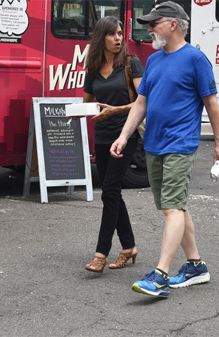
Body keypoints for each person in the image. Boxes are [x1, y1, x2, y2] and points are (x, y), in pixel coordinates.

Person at [110, 1, 219, 297]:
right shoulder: (153, 61)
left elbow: (211, 105)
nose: (148, 29)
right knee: (176, 205)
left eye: (154, 23)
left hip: (181, 144)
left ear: (174, 24)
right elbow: (142, 103)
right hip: (153, 144)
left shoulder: (195, 59)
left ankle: (161, 275)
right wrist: (125, 135)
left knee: (172, 207)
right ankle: (195, 266)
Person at [81, 16, 142, 273]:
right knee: (112, 192)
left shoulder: (131, 63)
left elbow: (144, 101)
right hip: (103, 135)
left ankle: (101, 252)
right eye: (112, 34)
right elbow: (87, 102)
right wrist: (75, 113)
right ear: (101, 38)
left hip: (125, 135)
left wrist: (116, 110)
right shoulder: (93, 68)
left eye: (120, 33)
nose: (118, 38)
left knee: (109, 190)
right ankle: (128, 247)